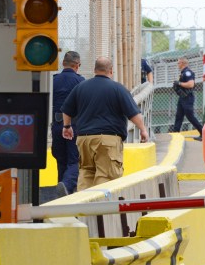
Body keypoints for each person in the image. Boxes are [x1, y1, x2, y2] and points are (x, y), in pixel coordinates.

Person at [61, 57, 148, 190]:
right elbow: (134, 114)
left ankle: (84, 207)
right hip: (108, 140)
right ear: (111, 70)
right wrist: (143, 130)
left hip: (84, 139)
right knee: (106, 176)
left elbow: (66, 109)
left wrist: (67, 127)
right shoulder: (118, 88)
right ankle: (101, 209)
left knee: (86, 174)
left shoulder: (81, 87)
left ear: (95, 70)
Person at [51, 51, 84, 197]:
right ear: (77, 65)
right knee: (74, 160)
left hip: (56, 125)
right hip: (73, 126)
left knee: (61, 159)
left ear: (63, 64)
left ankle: (62, 189)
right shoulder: (80, 81)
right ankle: (67, 185)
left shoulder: (53, 80)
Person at [172, 56, 203, 138]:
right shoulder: (183, 73)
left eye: (178, 63)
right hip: (182, 97)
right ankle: (175, 134)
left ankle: (202, 132)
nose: (177, 65)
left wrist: (179, 84)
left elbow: (191, 84)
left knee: (190, 116)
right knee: (179, 116)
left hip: (187, 98)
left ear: (182, 63)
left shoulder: (187, 72)